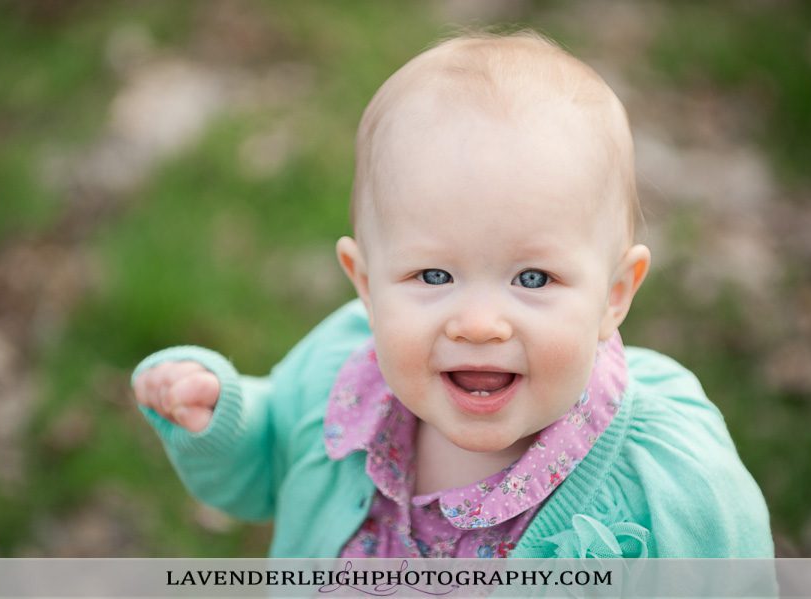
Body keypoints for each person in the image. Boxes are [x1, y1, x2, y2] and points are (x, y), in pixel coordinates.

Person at [131, 32, 773, 558]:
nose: (479, 324)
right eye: (434, 277)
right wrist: (223, 419)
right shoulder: (343, 378)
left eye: (533, 279)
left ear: (613, 294)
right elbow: (277, 455)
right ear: (365, 283)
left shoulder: (672, 485)